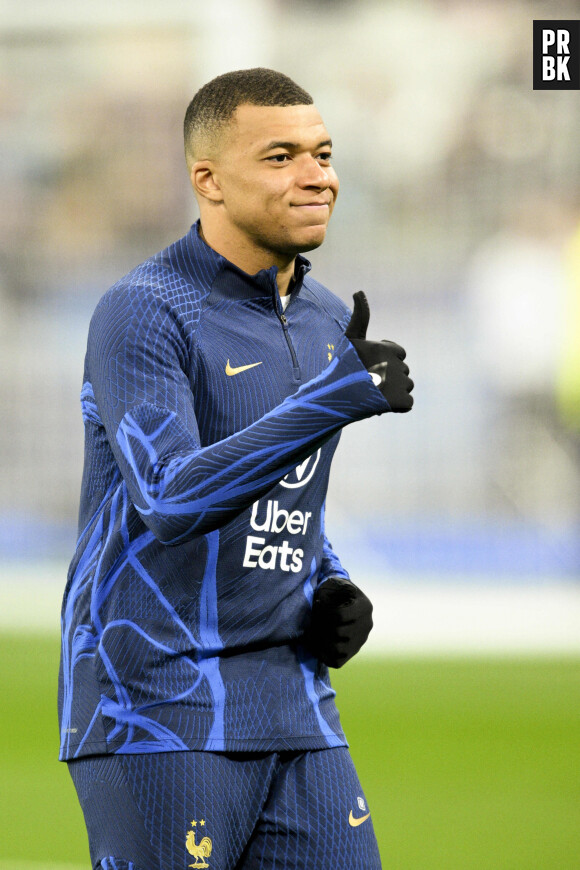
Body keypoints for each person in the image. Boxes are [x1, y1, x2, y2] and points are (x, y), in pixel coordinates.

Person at [58, 67, 413, 870]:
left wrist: (330, 580)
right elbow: (171, 495)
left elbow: (285, 491)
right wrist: (332, 399)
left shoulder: (327, 318)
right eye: (282, 156)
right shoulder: (145, 309)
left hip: (293, 697)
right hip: (155, 700)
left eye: (323, 154)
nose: (317, 175)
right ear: (207, 180)